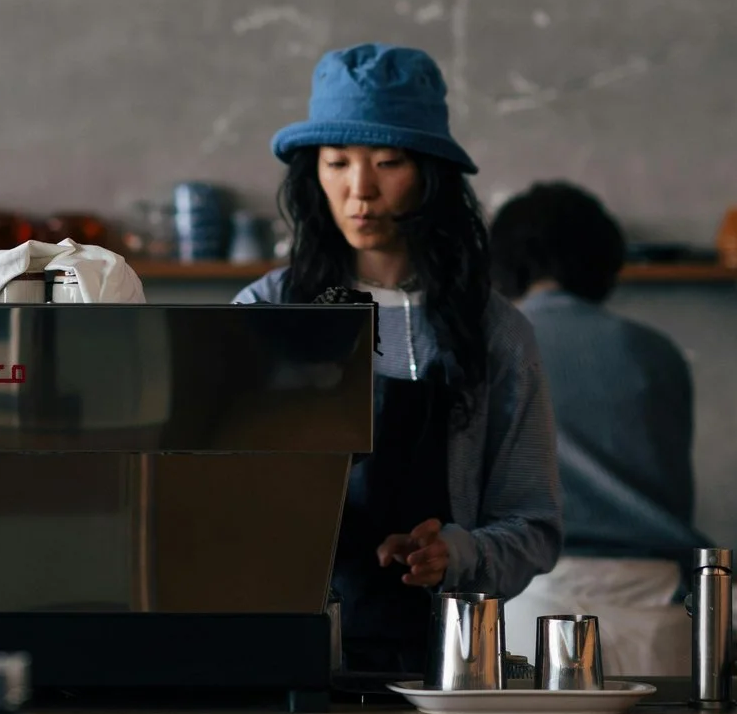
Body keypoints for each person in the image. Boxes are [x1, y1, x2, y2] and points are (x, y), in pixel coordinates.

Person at [236, 43, 560, 674]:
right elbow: (220, 502)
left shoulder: (496, 332)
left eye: (387, 162)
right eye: (336, 163)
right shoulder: (266, 311)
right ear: (313, 175)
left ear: (431, 175)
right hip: (287, 659)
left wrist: (456, 553)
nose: (360, 190)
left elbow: (534, 524)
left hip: (446, 666)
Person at [490, 181, 704, 676]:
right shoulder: (657, 352)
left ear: (501, 262)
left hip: (533, 596)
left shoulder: (496, 346)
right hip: (658, 602)